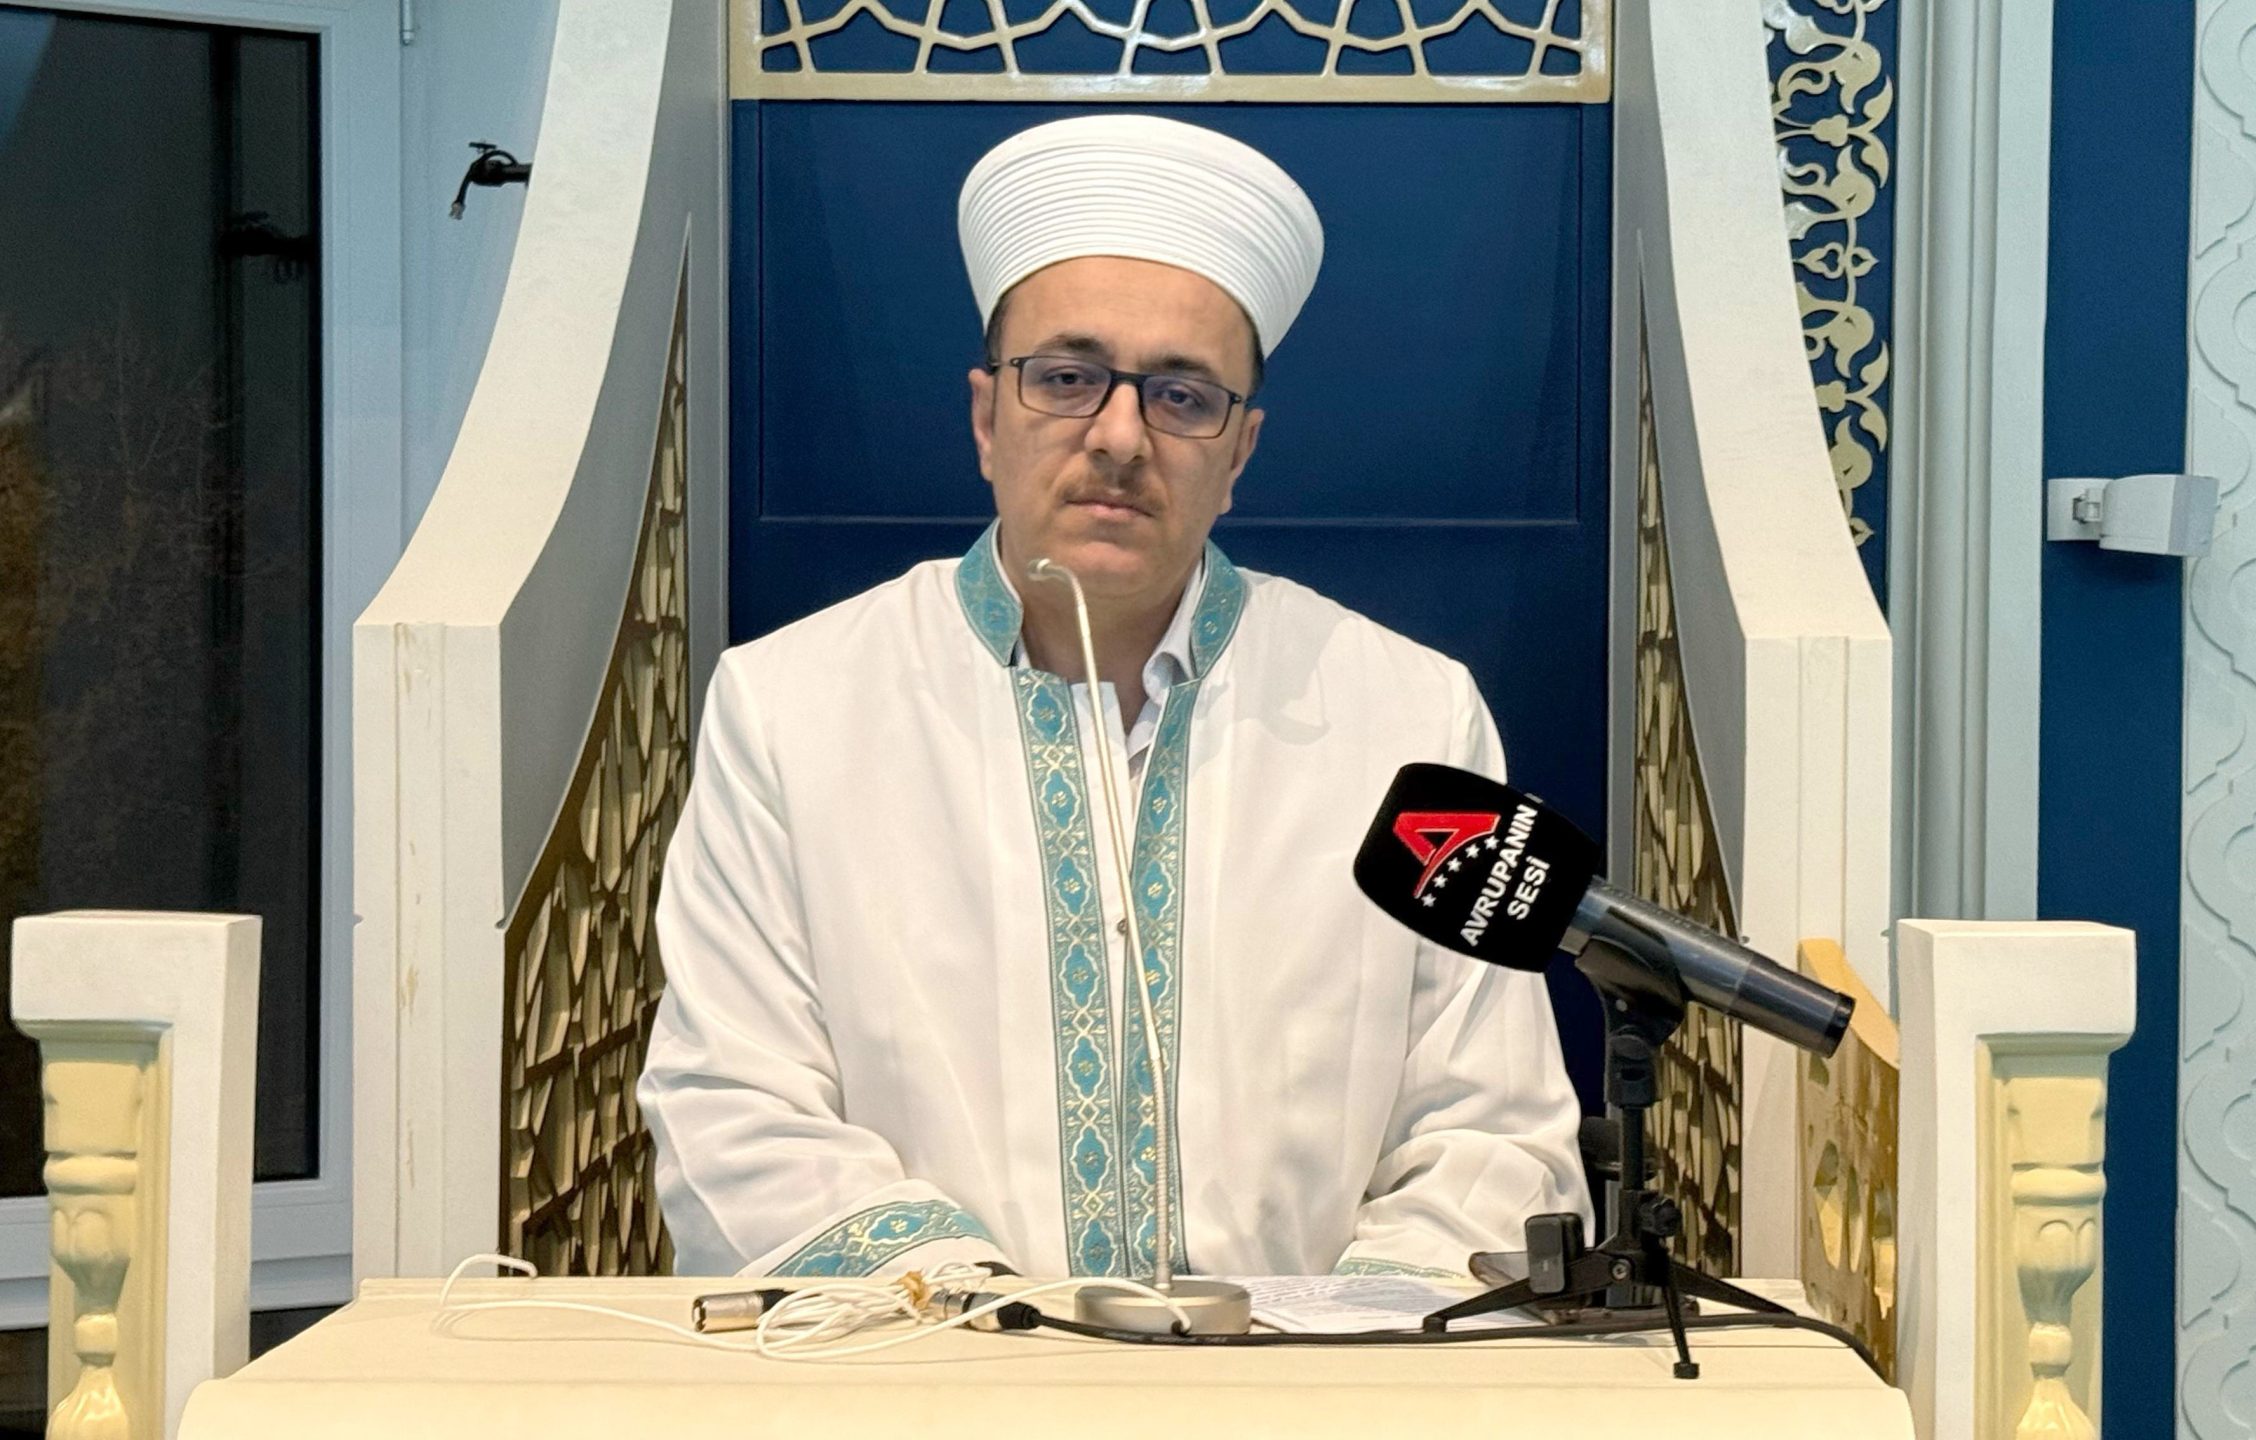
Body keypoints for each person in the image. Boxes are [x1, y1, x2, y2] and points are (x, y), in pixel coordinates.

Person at [638, 114, 1587, 1280]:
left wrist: (1343, 1346)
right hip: (923, 1358)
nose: (1122, 436)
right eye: (1067, 378)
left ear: (1239, 453)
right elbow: (732, 1104)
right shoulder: (792, 706)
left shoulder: (1408, 716)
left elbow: (1491, 1130)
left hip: (1314, 1370)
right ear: (986, 419)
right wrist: (992, 1332)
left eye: (1182, 396)